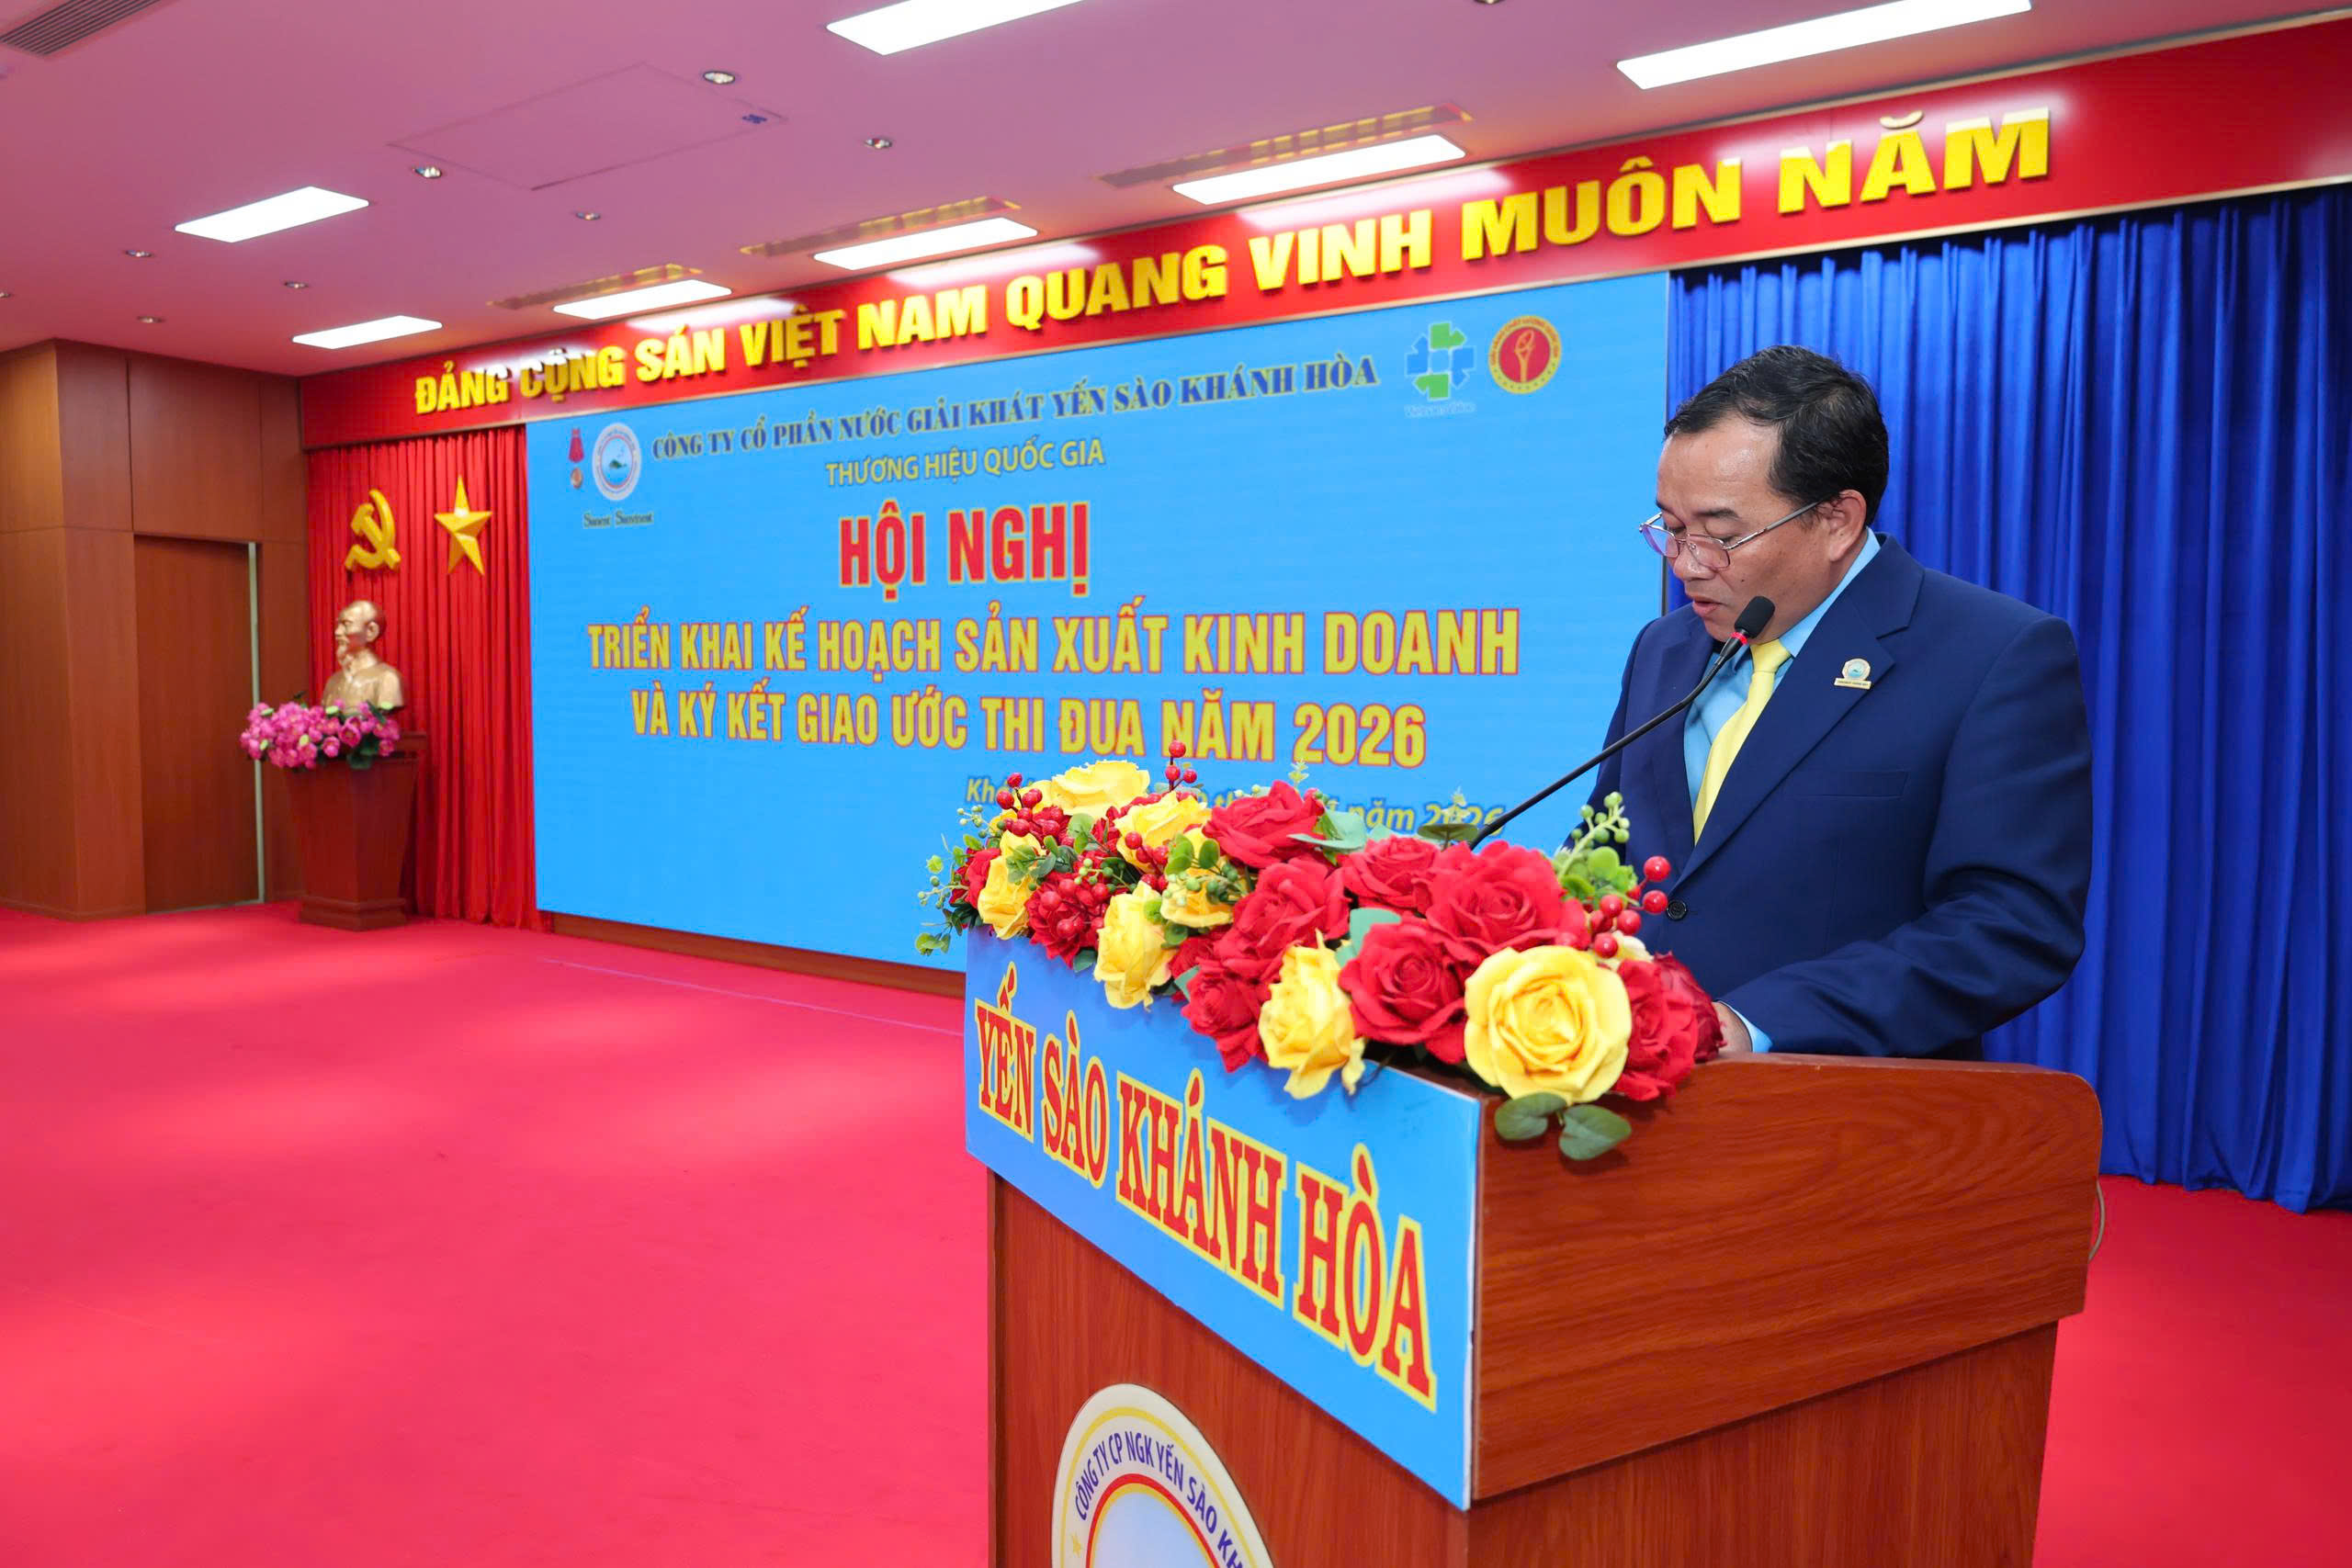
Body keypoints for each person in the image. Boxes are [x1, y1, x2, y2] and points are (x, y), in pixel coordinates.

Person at [1591, 345, 2091, 1059]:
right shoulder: (1663, 649)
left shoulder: (1992, 656)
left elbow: (2009, 926)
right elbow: (1607, 849)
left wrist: (1756, 1022)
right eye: (1669, 527)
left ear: (1837, 520)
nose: (1686, 564)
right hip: (1633, 1088)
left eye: (1721, 535)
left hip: (1839, 1103)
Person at [322, 599, 405, 711]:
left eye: (346, 624)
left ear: (371, 631)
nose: (338, 632)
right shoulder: (333, 681)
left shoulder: (388, 679)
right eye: (338, 625)